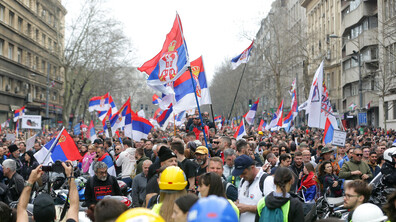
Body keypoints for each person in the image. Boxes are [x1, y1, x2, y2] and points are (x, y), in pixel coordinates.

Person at [232, 155, 265, 222]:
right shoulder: (243, 181)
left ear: (252, 168)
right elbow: (241, 199)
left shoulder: (266, 180)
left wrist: (249, 208)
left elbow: (272, 208)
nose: (241, 176)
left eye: (244, 173)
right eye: (239, 174)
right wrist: (236, 204)